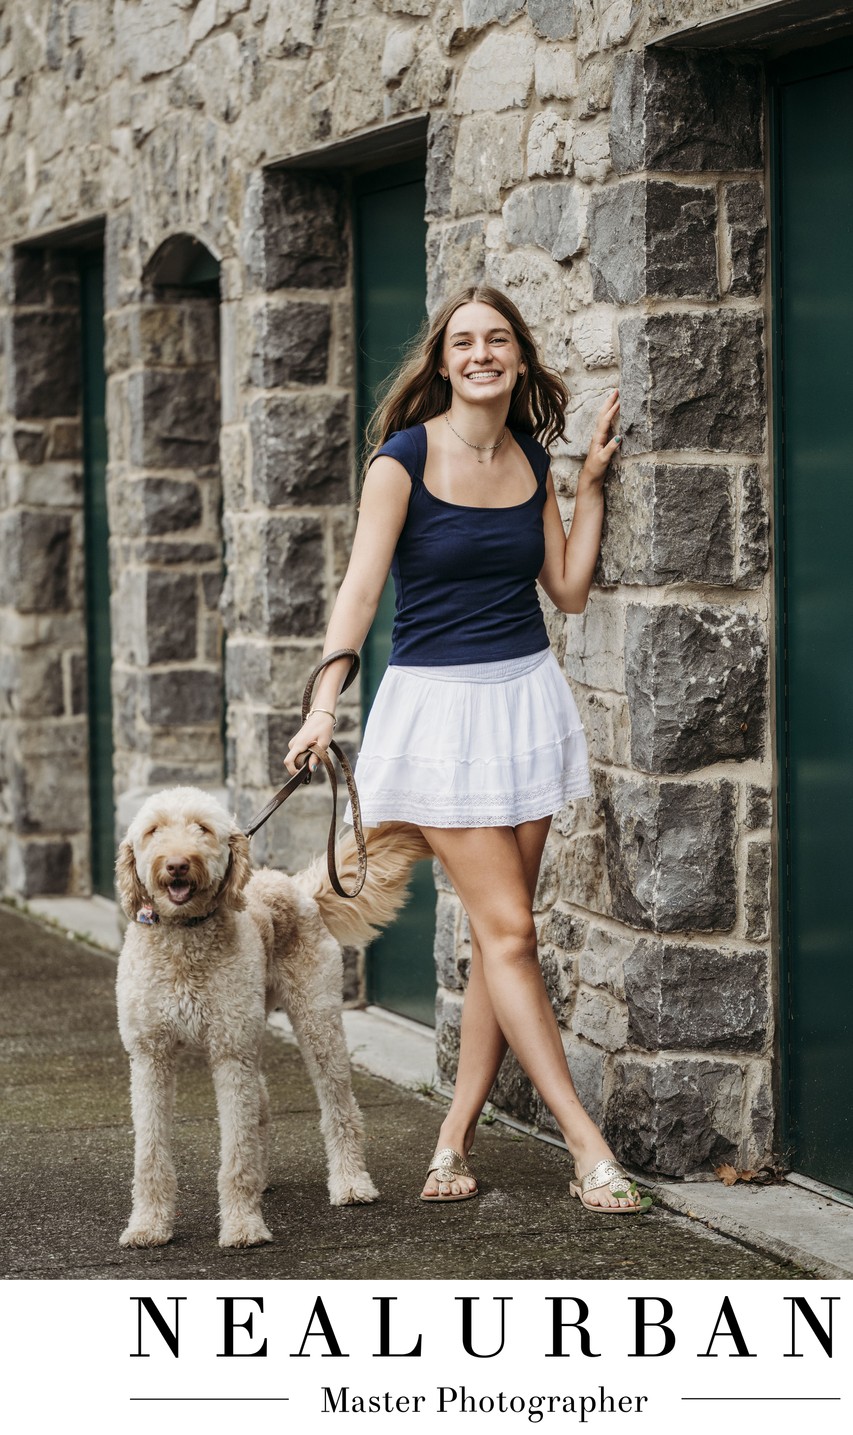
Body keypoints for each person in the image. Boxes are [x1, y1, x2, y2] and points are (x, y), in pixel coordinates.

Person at [284, 284, 643, 1214]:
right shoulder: (399, 460)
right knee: (513, 932)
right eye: (462, 343)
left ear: (518, 358)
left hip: (524, 703)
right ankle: (584, 1141)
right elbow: (359, 594)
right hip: (439, 717)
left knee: (499, 938)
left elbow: (564, 590)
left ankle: (450, 1139)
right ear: (442, 362)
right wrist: (324, 705)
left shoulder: (530, 456)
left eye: (497, 341)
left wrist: (588, 487)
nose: (480, 353)